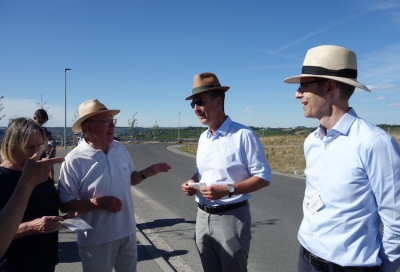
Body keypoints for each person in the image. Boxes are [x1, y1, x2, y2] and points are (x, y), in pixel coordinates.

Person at [283, 45, 400, 271]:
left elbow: (397, 221)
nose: (297, 94)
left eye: (304, 86)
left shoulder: (374, 143)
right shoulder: (312, 142)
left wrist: (384, 268)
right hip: (306, 259)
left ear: (329, 87)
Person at [57, 99, 171, 272]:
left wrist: (145, 173)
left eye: (113, 121)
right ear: (88, 127)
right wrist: (97, 203)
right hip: (95, 240)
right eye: (106, 122)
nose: (112, 126)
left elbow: (130, 179)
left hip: (128, 233)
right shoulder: (74, 160)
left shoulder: (119, 148)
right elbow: (65, 204)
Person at [181, 72, 271, 272]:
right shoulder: (204, 138)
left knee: (233, 268)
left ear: (218, 101)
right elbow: (201, 171)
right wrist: (192, 182)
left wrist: (228, 189)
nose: (196, 108)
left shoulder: (243, 135)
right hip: (203, 218)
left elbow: (263, 177)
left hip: (231, 219)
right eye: (193, 104)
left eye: (200, 102)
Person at [0, 118, 65, 271]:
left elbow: (46, 206)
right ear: (13, 146)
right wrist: (30, 227)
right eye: (30, 147)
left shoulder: (39, 171)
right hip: (14, 265)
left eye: (40, 146)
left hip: (45, 260)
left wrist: (66, 219)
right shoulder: (3, 178)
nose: (37, 152)